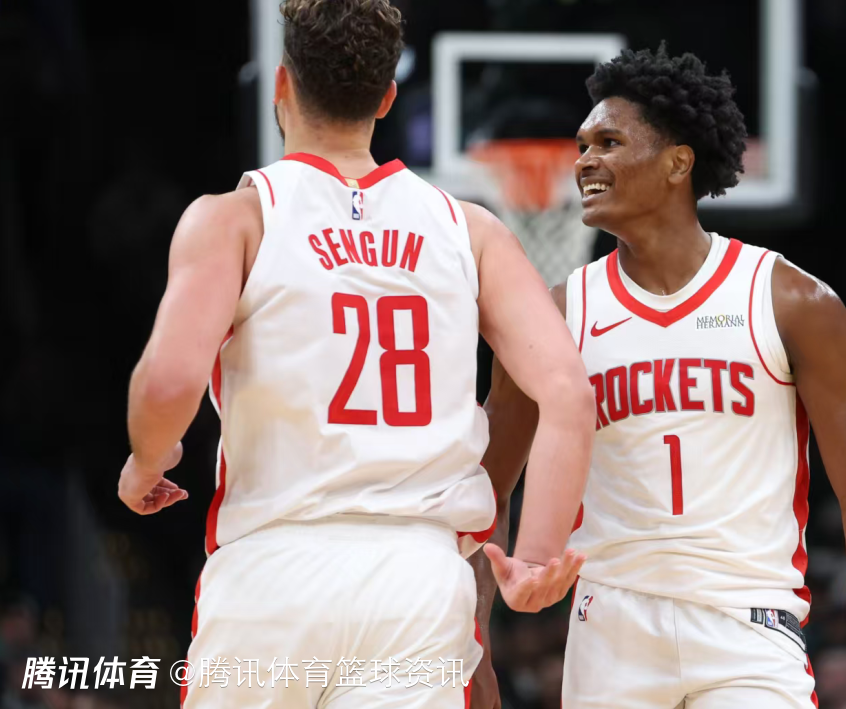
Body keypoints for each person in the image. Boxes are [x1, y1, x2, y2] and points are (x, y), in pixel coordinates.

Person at [116, 1, 594, 707]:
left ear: (281, 85)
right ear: (387, 97)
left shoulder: (235, 218)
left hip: (273, 570)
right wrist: (536, 556)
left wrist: (147, 460)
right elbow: (568, 392)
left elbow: (167, 386)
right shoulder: (470, 229)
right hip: (416, 580)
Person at [472, 45, 846, 709]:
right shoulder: (555, 315)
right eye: (582, 146)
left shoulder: (790, 300)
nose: (584, 161)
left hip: (748, 628)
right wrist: (473, 650)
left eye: (608, 142)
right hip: (610, 633)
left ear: (678, 162)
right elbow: (485, 493)